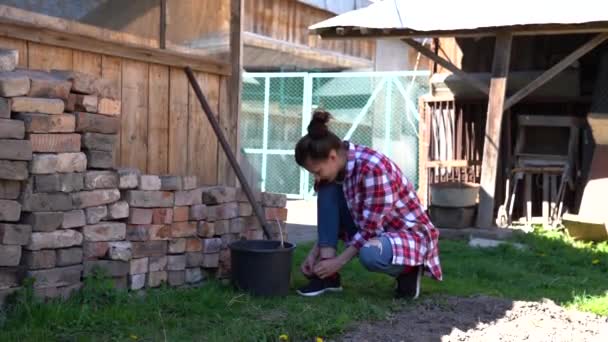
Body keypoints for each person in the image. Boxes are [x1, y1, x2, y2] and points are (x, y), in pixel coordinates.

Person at [294, 110, 442, 299]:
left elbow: (370, 230)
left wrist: (339, 261)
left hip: (406, 235)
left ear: (332, 156)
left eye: (317, 171)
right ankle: (328, 277)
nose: (315, 176)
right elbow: (336, 218)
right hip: (373, 229)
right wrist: (316, 255)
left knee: (370, 254)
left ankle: (409, 270)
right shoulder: (338, 170)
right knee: (325, 187)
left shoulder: (373, 168)